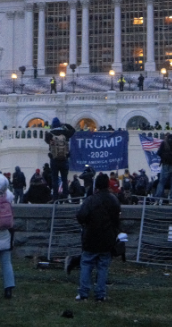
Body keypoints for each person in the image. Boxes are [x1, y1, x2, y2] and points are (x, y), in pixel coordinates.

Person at [76, 173, 121, 302]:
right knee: (103, 267)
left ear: (96, 186)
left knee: (86, 264)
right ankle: (100, 295)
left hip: (90, 237)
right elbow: (117, 220)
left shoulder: (90, 200)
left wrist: (86, 225)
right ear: (107, 184)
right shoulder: (114, 200)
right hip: (107, 238)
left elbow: (81, 216)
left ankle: (83, 293)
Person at [46, 119, 73, 201]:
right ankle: (65, 197)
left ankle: (55, 197)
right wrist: (65, 124)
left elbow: (47, 141)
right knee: (64, 179)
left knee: (55, 179)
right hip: (64, 159)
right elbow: (73, 130)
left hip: (54, 159)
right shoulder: (65, 133)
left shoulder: (50, 134)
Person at [154, 133, 172, 200]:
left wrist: (164, 156)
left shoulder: (164, 143)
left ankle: (157, 198)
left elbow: (158, 153)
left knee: (162, 182)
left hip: (166, 165)